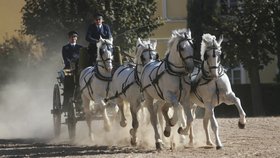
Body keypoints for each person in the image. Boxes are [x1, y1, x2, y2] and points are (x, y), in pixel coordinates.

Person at [61, 31, 83, 109]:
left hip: (79, 67)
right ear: (69, 38)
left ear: (76, 38)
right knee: (68, 82)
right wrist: (71, 64)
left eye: (75, 37)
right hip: (69, 67)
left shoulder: (80, 47)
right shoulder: (65, 47)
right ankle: (67, 100)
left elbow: (83, 57)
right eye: (72, 37)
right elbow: (65, 58)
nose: (73, 39)